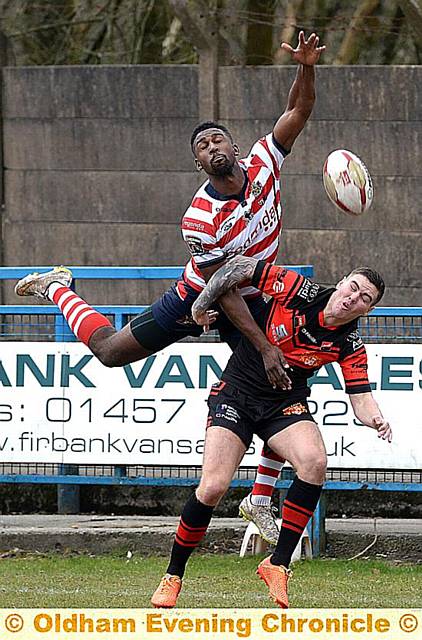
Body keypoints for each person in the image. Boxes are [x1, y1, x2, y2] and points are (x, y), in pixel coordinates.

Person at [15, 32, 325, 546]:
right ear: (198, 165)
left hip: (257, 294)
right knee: (112, 353)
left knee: (287, 375)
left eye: (217, 139)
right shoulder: (198, 218)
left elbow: (299, 110)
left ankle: (260, 498)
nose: (212, 148)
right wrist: (264, 344)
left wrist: (308, 68)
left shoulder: (266, 161)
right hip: (205, 297)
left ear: (232, 143)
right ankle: (58, 288)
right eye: (201, 147)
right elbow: (223, 288)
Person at [150, 255, 392, 609]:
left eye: (364, 299)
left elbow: (361, 399)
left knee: (314, 462)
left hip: (283, 404)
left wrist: (376, 420)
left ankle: (277, 564)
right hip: (237, 393)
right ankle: (173, 575)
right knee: (213, 486)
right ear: (341, 282)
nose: (353, 298)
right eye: (353, 288)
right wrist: (202, 303)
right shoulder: (299, 290)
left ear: (366, 311)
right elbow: (237, 268)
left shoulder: (349, 346)